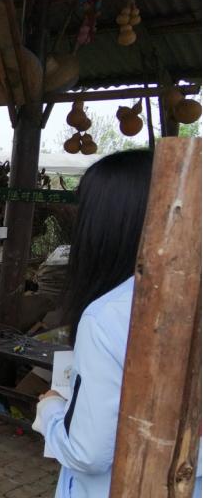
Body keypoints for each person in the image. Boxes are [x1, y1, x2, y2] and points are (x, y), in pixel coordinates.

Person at [32, 150, 201, 497]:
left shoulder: (108, 316)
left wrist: (50, 409)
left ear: (103, 226)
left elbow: (88, 453)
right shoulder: (190, 296)